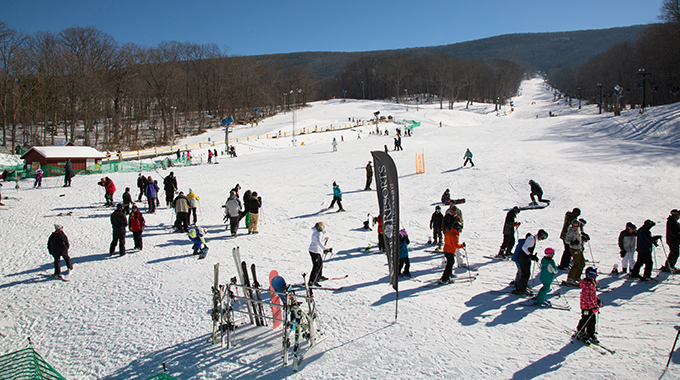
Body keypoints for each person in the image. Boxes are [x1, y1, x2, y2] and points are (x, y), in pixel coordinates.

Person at [513, 229, 548, 295]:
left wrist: (532, 256)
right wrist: (530, 255)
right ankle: (521, 289)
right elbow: (524, 248)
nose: (541, 239)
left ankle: (522, 287)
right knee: (526, 274)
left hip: (526, 258)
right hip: (524, 258)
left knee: (526, 273)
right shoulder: (532, 239)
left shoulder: (533, 239)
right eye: (542, 238)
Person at [574, 267, 603, 343]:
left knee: (592, 320)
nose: (592, 277)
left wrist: (597, 300)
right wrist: (593, 306)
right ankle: (580, 331)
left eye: (594, 275)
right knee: (585, 319)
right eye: (591, 275)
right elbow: (588, 298)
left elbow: (592, 295)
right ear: (587, 275)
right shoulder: (588, 284)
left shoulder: (591, 283)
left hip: (590, 306)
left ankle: (590, 333)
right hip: (586, 307)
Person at [564, 219, 589, 285]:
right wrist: (572, 242)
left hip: (579, 248)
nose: (575, 227)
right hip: (574, 249)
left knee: (582, 263)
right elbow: (566, 240)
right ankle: (571, 278)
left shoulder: (578, 229)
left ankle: (577, 277)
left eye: (577, 226)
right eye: (574, 226)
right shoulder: (570, 231)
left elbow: (579, 234)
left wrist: (583, 237)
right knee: (577, 264)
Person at [308, 222, 332, 286]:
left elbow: (318, 241)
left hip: (314, 250)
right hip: (315, 251)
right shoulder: (319, 233)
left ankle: (318, 277)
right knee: (316, 266)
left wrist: (324, 240)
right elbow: (318, 242)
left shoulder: (316, 232)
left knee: (320, 264)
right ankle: (312, 280)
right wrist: (325, 249)